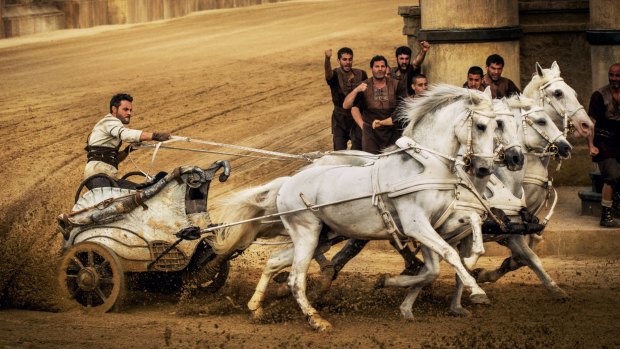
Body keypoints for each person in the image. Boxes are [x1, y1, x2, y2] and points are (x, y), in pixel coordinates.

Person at [84, 93, 171, 187]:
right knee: (139, 195)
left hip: (106, 177)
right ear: (114, 109)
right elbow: (125, 134)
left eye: (130, 110)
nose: (129, 113)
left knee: (141, 192)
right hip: (98, 177)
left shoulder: (111, 127)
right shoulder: (110, 121)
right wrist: (155, 136)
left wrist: (127, 150)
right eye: (125, 109)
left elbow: (112, 159)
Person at [343, 55, 408, 154]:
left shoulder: (397, 85)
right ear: (371, 69)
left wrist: (386, 122)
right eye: (377, 66)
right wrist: (363, 126)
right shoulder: (363, 85)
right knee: (371, 161)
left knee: (393, 160)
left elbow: (404, 108)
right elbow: (349, 107)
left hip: (392, 130)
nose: (380, 69)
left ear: (386, 68)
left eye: (382, 66)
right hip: (370, 132)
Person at [588, 63, 620, 227]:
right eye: (611, 75)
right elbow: (590, 124)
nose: (614, 79)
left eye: (617, 75)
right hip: (604, 141)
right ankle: (605, 215)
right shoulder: (599, 95)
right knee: (612, 175)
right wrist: (591, 145)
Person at [325, 47, 368, 150]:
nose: (347, 62)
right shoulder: (335, 74)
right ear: (338, 61)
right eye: (344, 59)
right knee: (339, 152)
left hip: (356, 118)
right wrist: (327, 59)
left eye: (350, 59)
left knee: (358, 151)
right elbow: (328, 75)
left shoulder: (361, 74)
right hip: (339, 119)